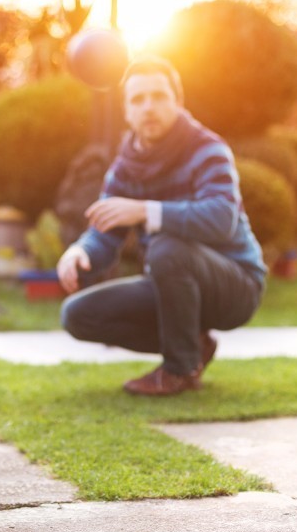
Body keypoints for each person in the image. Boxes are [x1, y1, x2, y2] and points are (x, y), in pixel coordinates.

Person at [57, 55, 267, 396]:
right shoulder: (125, 167)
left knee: (167, 247)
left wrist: (144, 211)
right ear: (127, 111)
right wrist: (80, 251)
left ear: (178, 102)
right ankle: (193, 346)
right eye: (138, 99)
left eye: (158, 96)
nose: (148, 107)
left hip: (235, 284)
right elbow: (104, 232)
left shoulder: (208, 149)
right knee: (78, 314)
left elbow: (222, 219)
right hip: (172, 280)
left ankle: (179, 369)